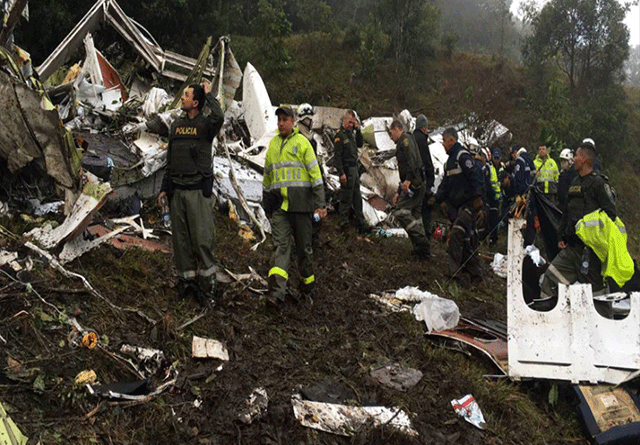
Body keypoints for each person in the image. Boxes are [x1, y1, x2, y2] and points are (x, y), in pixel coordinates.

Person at [157, 82, 224, 305]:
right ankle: (188, 286)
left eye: (186, 95)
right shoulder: (176, 126)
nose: (182, 97)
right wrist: (164, 188)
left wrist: (209, 94)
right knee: (181, 242)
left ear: (196, 102)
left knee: (202, 241)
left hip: (197, 191)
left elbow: (219, 116)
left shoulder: (206, 126)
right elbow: (170, 159)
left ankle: (208, 290)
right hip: (177, 191)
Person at [538, 142, 617, 308]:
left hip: (590, 254)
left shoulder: (599, 184)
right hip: (571, 250)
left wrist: (594, 236)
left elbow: (611, 214)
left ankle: (606, 327)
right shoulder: (574, 182)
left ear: (584, 158)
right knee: (549, 280)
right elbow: (566, 211)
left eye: (576, 156)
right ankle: (546, 319)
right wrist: (561, 236)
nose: (573, 160)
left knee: (597, 297)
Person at [262, 106, 326, 307]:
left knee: (303, 251)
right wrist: (267, 204)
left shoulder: (303, 144)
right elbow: (267, 177)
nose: (280, 123)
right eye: (278, 120)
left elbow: (316, 177)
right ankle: (275, 293)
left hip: (301, 208)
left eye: (284, 119)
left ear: (293, 121)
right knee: (280, 248)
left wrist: (320, 204)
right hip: (281, 208)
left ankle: (307, 288)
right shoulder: (272, 145)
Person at [433, 128, 484, 283]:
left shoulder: (463, 156)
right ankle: (475, 275)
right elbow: (445, 185)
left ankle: (453, 275)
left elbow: (474, 177)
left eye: (444, 140)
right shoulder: (449, 162)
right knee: (467, 240)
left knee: (456, 234)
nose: (442, 144)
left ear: (451, 140)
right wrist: (435, 200)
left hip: (468, 205)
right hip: (456, 208)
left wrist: (478, 200)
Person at [389, 120, 431, 258]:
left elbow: (412, 160)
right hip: (415, 182)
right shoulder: (406, 139)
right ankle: (421, 250)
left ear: (396, 129)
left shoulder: (405, 140)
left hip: (415, 183)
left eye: (391, 133)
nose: (390, 137)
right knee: (416, 215)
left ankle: (422, 242)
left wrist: (408, 179)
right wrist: (399, 191)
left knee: (401, 211)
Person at [333, 110, 366, 233]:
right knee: (346, 197)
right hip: (346, 170)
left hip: (354, 169)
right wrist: (341, 173)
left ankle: (361, 222)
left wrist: (358, 130)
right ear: (344, 120)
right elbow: (337, 157)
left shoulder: (351, 134)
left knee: (357, 197)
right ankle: (343, 222)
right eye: (350, 122)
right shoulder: (339, 136)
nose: (351, 124)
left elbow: (360, 143)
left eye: (353, 122)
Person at [412, 114, 435, 248]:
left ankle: (416, 240)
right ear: (424, 128)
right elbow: (427, 162)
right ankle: (426, 239)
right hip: (422, 181)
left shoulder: (411, 138)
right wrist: (430, 181)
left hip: (412, 180)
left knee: (415, 211)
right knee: (425, 210)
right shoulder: (422, 140)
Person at [510, 145, 536, 246]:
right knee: (529, 221)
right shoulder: (531, 161)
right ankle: (529, 244)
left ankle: (518, 244)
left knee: (518, 222)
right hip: (531, 195)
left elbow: (518, 178)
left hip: (522, 195)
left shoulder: (519, 160)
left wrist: (517, 194)